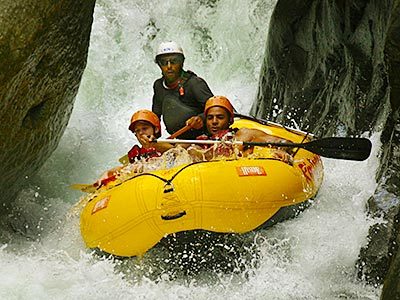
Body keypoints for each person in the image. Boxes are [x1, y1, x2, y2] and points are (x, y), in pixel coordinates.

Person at [189, 96, 293, 163]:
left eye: (220, 117)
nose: (214, 122)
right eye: (210, 118)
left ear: (230, 120)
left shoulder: (243, 135)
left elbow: (282, 142)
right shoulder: (202, 142)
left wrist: (282, 151)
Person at [152, 41, 214, 139]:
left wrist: (201, 118)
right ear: (159, 65)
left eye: (174, 61)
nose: (169, 66)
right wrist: (149, 133)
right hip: (177, 140)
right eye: (164, 62)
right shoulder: (158, 86)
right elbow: (155, 116)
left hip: (203, 138)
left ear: (182, 62)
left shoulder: (195, 83)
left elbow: (215, 109)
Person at [96, 110, 172, 187]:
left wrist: (154, 144)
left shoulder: (165, 144)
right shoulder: (136, 153)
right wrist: (108, 173)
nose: (141, 133)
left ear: (155, 129)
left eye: (144, 128)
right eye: (137, 131)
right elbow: (125, 167)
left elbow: (174, 150)